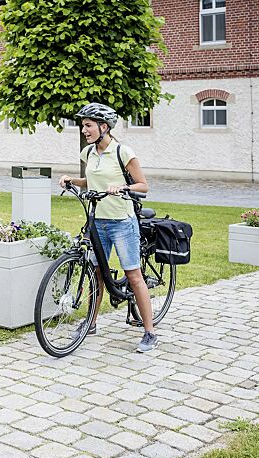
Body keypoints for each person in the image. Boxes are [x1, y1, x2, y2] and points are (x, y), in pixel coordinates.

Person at [58, 102, 158, 353]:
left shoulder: (123, 152)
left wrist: (122, 187)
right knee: (96, 273)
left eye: (88, 126)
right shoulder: (88, 153)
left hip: (122, 222)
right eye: (83, 126)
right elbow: (89, 180)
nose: (84, 130)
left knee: (133, 276)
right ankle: (91, 323)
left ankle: (149, 332)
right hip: (97, 221)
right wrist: (72, 180)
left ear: (104, 127)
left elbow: (143, 185)